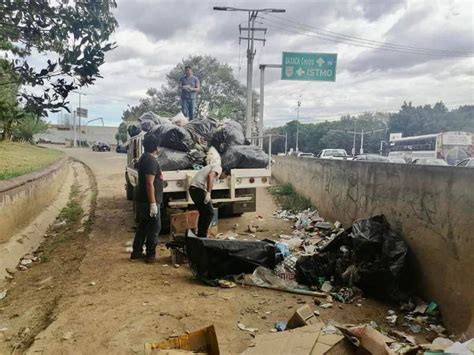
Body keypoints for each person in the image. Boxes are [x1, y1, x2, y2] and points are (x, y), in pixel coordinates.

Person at [131, 135, 163, 263]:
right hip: (148, 200)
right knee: (154, 228)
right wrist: (153, 203)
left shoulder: (144, 158)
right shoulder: (151, 161)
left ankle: (137, 252)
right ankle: (150, 255)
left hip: (142, 199)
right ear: (155, 147)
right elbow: (149, 183)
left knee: (143, 226)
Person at [189, 163, 222, 238]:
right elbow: (210, 176)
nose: (221, 178)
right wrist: (208, 193)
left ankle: (200, 235)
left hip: (193, 189)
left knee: (203, 213)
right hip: (198, 189)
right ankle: (202, 235)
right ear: (225, 173)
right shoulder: (218, 167)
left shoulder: (210, 167)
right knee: (210, 213)